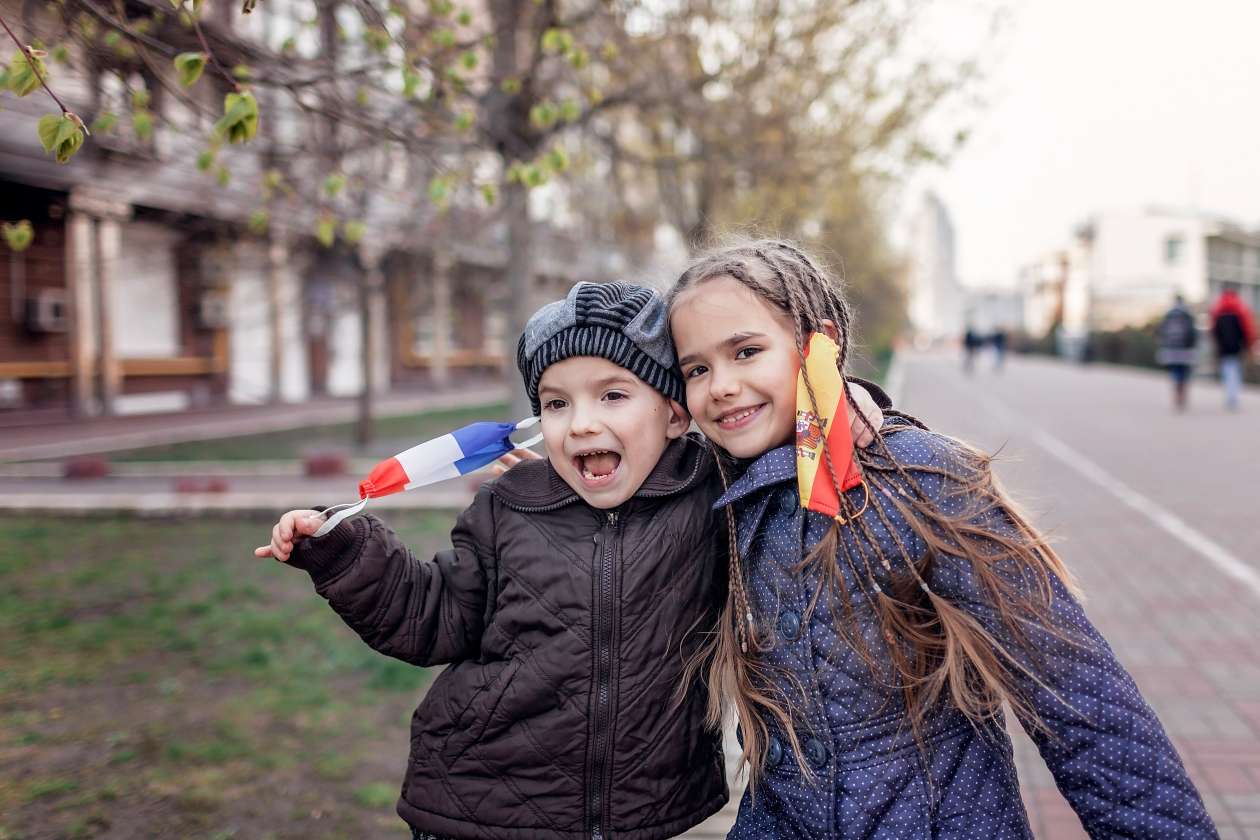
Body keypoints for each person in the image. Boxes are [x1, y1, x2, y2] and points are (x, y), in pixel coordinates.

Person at [254, 281, 889, 840]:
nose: (581, 424)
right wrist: (342, 553)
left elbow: (790, 446)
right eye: (557, 404)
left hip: (639, 808)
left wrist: (848, 400)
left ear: (674, 414)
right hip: (482, 801)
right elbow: (436, 618)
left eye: (612, 396)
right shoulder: (511, 506)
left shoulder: (712, 491)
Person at [667, 240, 1216, 839]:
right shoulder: (721, 498)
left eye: (746, 352)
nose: (720, 385)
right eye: (697, 368)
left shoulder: (921, 480)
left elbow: (1078, 697)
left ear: (814, 343)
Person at [1209, 284, 1256, 411]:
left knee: (1227, 369)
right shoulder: (1240, 308)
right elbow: (1247, 329)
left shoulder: (1218, 309)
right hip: (1237, 346)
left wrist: (1216, 344)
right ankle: (1233, 395)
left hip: (1223, 347)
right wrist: (1248, 345)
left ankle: (1229, 395)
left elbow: (1214, 330)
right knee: (1235, 369)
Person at [1157, 293, 1199, 411]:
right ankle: (1182, 395)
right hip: (1185, 351)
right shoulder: (1187, 314)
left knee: (1175, 373)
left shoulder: (1169, 314)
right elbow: (1193, 333)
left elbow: (1161, 332)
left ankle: (1177, 395)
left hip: (1171, 350)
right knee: (1184, 375)